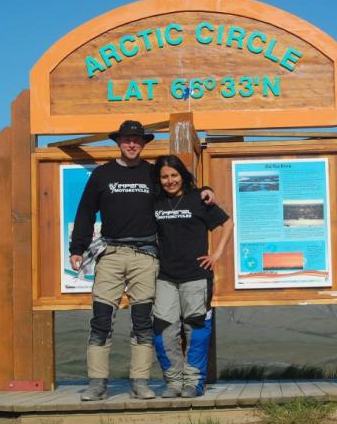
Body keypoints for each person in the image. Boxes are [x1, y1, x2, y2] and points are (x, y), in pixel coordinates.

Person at [68, 120, 214, 401]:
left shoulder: (151, 173)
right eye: (126, 139)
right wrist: (77, 248)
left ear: (144, 143)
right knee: (100, 320)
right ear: (118, 142)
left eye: (137, 140)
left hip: (146, 256)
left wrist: (207, 191)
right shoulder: (102, 174)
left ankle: (140, 382)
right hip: (110, 255)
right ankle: (97, 383)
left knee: (143, 322)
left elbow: (179, 188)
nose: (131, 144)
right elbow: (85, 211)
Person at [151, 155, 233, 398]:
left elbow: (227, 223)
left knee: (196, 330)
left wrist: (216, 254)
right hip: (165, 277)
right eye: (164, 176)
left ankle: (194, 383)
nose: (169, 180)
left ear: (182, 175)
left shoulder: (198, 199)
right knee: (162, 331)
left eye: (174, 175)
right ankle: (174, 382)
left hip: (196, 276)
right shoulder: (155, 202)